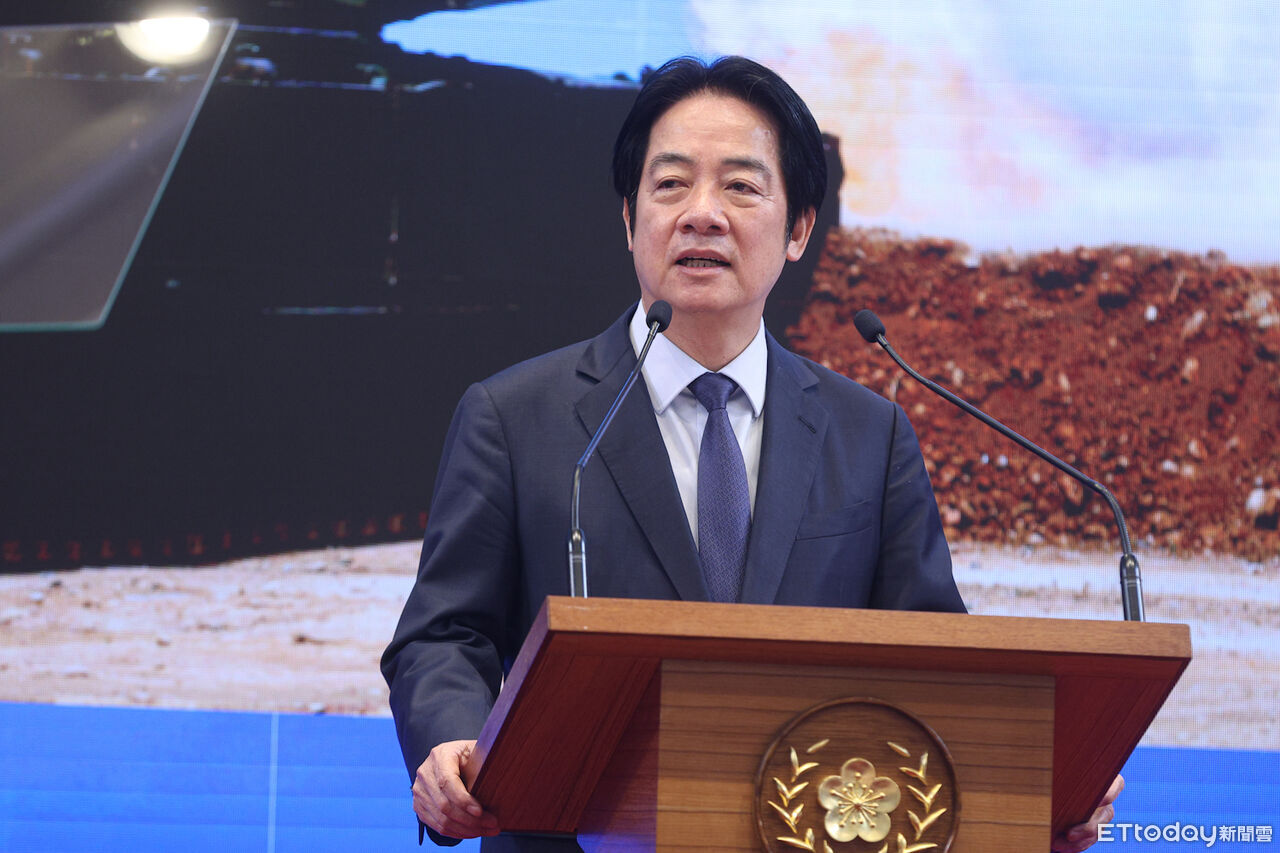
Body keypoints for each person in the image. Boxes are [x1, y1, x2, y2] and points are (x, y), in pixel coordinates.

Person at [381, 55, 1120, 853]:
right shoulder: (516, 417)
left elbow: (935, 660)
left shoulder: (869, 435)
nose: (701, 214)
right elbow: (444, 633)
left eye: (740, 186)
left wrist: (1035, 785)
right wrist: (449, 740)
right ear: (629, 219)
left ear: (799, 228)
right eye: (670, 184)